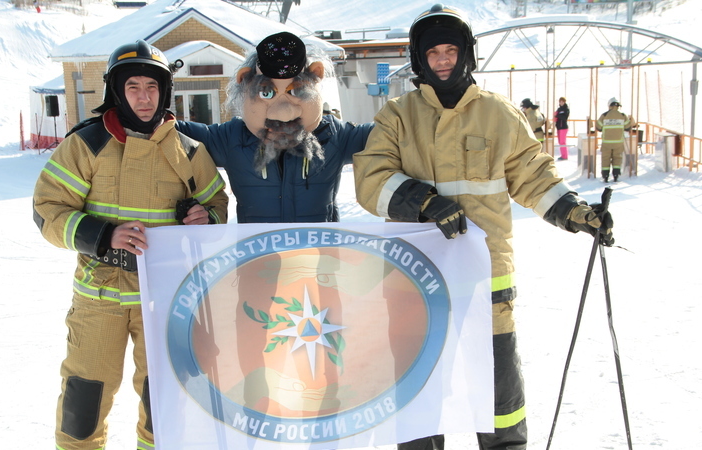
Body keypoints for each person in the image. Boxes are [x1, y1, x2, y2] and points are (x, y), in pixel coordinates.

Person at [353, 4, 613, 450]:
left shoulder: (498, 114)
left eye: (450, 50)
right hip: (417, 280)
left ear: (467, 54)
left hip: (486, 278)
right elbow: (370, 180)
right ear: (419, 59)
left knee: (499, 393)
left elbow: (533, 175)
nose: (442, 60)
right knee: (420, 389)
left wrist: (575, 212)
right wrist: (424, 202)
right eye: (432, 53)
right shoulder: (397, 115)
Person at [32, 40, 229, 450]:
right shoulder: (87, 144)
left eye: (152, 87)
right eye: (133, 87)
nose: (144, 97)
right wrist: (103, 236)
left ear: (164, 92)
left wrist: (205, 218)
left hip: (165, 297)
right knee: (84, 402)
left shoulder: (189, 150)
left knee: (163, 400)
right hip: (99, 296)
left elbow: (217, 204)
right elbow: (48, 210)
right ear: (116, 91)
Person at [176, 31, 373, 223]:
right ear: (245, 83)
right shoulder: (232, 138)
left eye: (297, 91)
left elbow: (385, 133)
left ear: (316, 76)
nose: (283, 113)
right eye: (266, 93)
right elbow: (169, 130)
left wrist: (394, 111)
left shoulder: (333, 135)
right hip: (258, 245)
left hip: (317, 245)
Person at [596, 97, 635, 182]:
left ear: (609, 105)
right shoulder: (622, 116)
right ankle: (616, 175)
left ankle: (605, 176)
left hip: (606, 142)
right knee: (617, 158)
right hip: (618, 142)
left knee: (605, 159)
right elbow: (628, 127)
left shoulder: (604, 115)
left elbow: (598, 127)